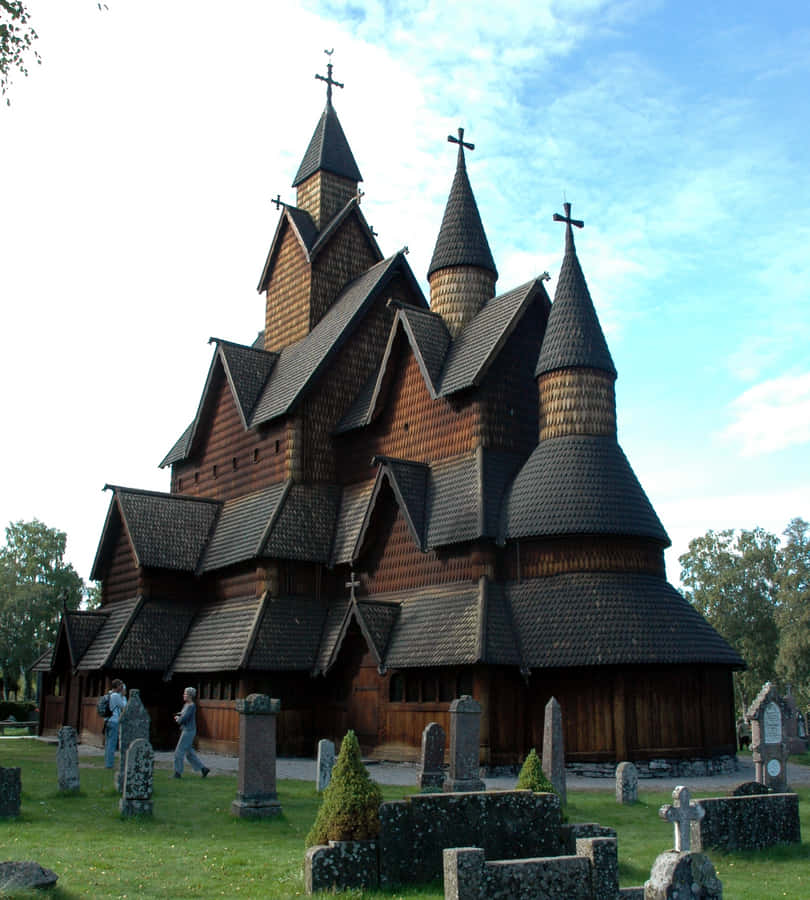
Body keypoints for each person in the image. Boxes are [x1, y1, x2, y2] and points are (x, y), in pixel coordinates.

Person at [173, 686, 210, 778]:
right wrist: (179, 716)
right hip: (186, 730)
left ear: (189, 695)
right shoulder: (186, 705)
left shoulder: (191, 706)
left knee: (179, 752)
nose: (183, 695)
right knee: (189, 753)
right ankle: (203, 769)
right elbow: (183, 715)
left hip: (188, 731)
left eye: (185, 694)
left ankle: (178, 773)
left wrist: (178, 719)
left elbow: (184, 719)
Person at [104, 678, 127, 768]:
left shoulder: (109, 694)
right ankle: (109, 764)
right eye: (120, 686)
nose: (121, 688)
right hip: (114, 721)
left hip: (107, 721)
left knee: (108, 743)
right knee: (112, 743)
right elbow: (124, 707)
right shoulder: (116, 696)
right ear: (117, 686)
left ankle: (107, 762)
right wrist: (123, 696)